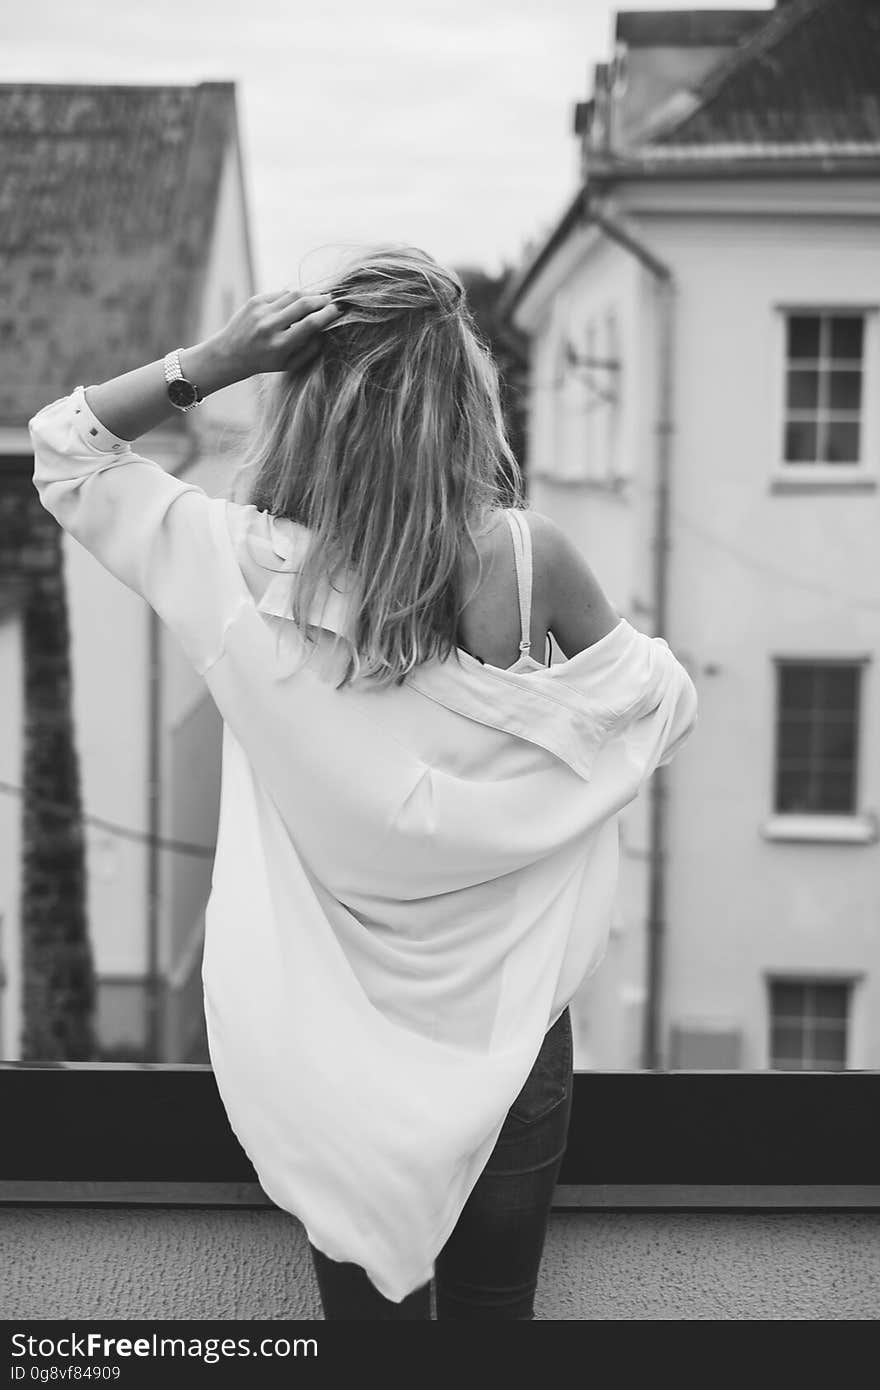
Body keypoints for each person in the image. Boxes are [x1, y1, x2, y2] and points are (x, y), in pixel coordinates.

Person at [29, 245, 698, 1319]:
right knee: (492, 1340)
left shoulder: (246, 570)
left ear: (311, 407)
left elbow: (68, 451)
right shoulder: (529, 564)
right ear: (457, 401)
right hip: (508, 1040)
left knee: (366, 1354)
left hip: (331, 1059)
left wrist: (217, 358)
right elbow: (660, 709)